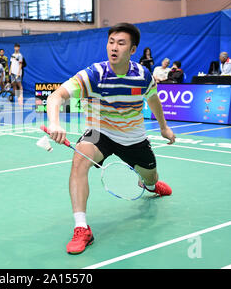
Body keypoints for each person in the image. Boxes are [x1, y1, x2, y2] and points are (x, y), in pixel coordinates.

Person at [45, 22, 175, 255]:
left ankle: (150, 185)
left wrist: (164, 127)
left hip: (134, 137)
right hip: (100, 132)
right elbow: (56, 96)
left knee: (150, 176)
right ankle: (81, 227)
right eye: (111, 42)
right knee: (79, 160)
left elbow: (154, 100)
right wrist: (55, 122)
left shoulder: (143, 76)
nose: (114, 47)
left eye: (121, 43)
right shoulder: (94, 74)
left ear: (133, 50)